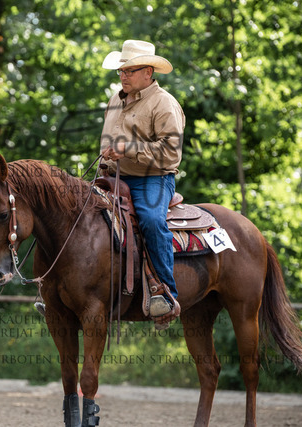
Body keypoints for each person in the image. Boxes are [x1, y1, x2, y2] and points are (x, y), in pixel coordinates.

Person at [99, 40, 185, 327]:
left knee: (151, 220)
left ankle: (165, 294)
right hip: (113, 177)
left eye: (130, 71)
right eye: (121, 71)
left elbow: (171, 153)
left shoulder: (164, 103)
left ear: (148, 72)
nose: (123, 76)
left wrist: (128, 149)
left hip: (153, 178)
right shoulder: (115, 99)